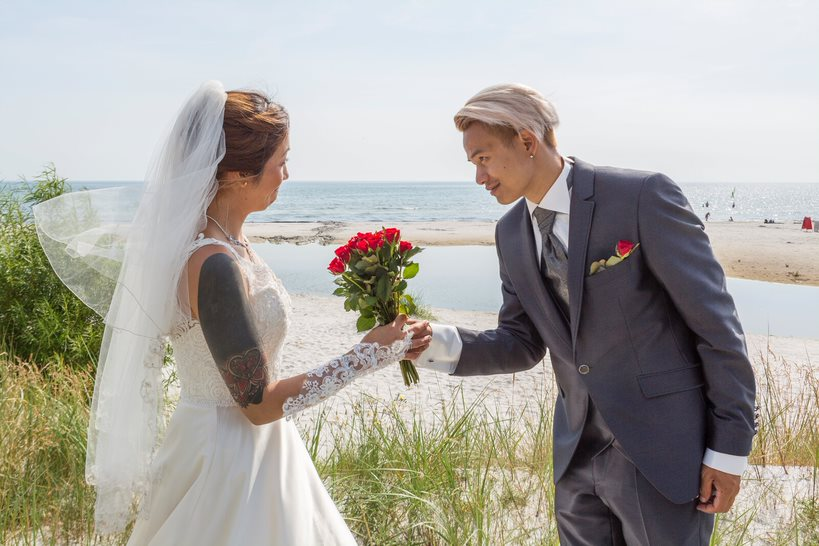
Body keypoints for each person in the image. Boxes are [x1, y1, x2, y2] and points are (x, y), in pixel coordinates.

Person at [34, 81, 430, 544]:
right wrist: (365, 355)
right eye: (280, 161)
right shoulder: (214, 265)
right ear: (239, 174)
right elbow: (258, 405)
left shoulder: (231, 247)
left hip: (258, 451)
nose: (286, 174)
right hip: (227, 461)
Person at [411, 84, 756, 545]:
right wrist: (430, 340)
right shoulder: (511, 232)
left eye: (483, 157)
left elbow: (716, 326)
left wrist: (729, 451)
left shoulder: (640, 196)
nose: (479, 177)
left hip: (661, 454)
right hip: (575, 459)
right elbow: (521, 341)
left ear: (527, 141)